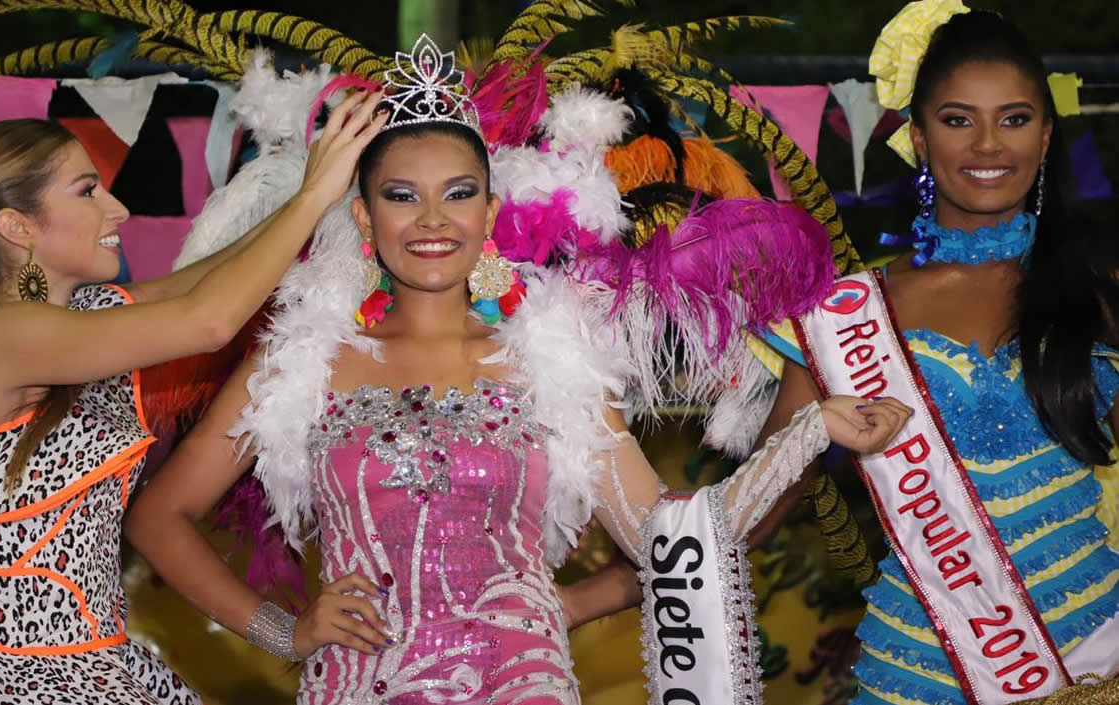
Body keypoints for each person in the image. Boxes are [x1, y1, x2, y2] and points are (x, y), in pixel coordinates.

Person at [126, 35, 912, 704]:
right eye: (403, 196)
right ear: (364, 216)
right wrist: (285, 629)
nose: (433, 220)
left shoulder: (548, 355)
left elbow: (673, 540)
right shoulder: (306, 355)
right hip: (357, 682)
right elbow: (159, 517)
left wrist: (811, 429)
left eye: (458, 193)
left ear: (490, 212)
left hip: (521, 682)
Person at [0, 93, 387, 704]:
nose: (118, 208)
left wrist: (315, 196)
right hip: (4, 680)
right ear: (17, 226)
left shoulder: (79, 319)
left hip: (95, 667)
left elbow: (204, 283)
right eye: (87, 191)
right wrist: (314, 195)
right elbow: (208, 320)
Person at [748, 4, 1119, 704]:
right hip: (911, 676)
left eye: (1014, 119)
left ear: (1046, 136)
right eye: (957, 119)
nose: (988, 145)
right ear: (918, 137)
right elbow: (755, 507)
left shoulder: (1097, 306)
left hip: (1092, 666)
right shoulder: (842, 313)